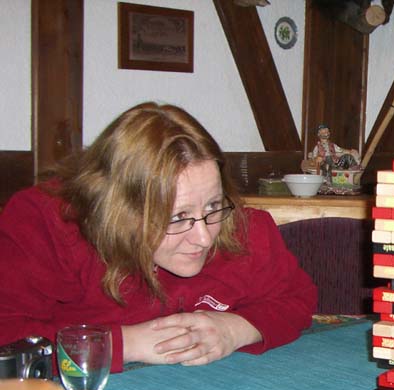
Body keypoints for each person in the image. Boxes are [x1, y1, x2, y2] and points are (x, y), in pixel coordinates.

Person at [0, 102, 317, 374]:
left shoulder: (242, 228)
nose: (204, 238)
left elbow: (297, 299)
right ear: (119, 211)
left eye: (213, 205)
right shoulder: (47, 224)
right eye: (177, 217)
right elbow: (7, 335)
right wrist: (124, 344)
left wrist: (237, 329)